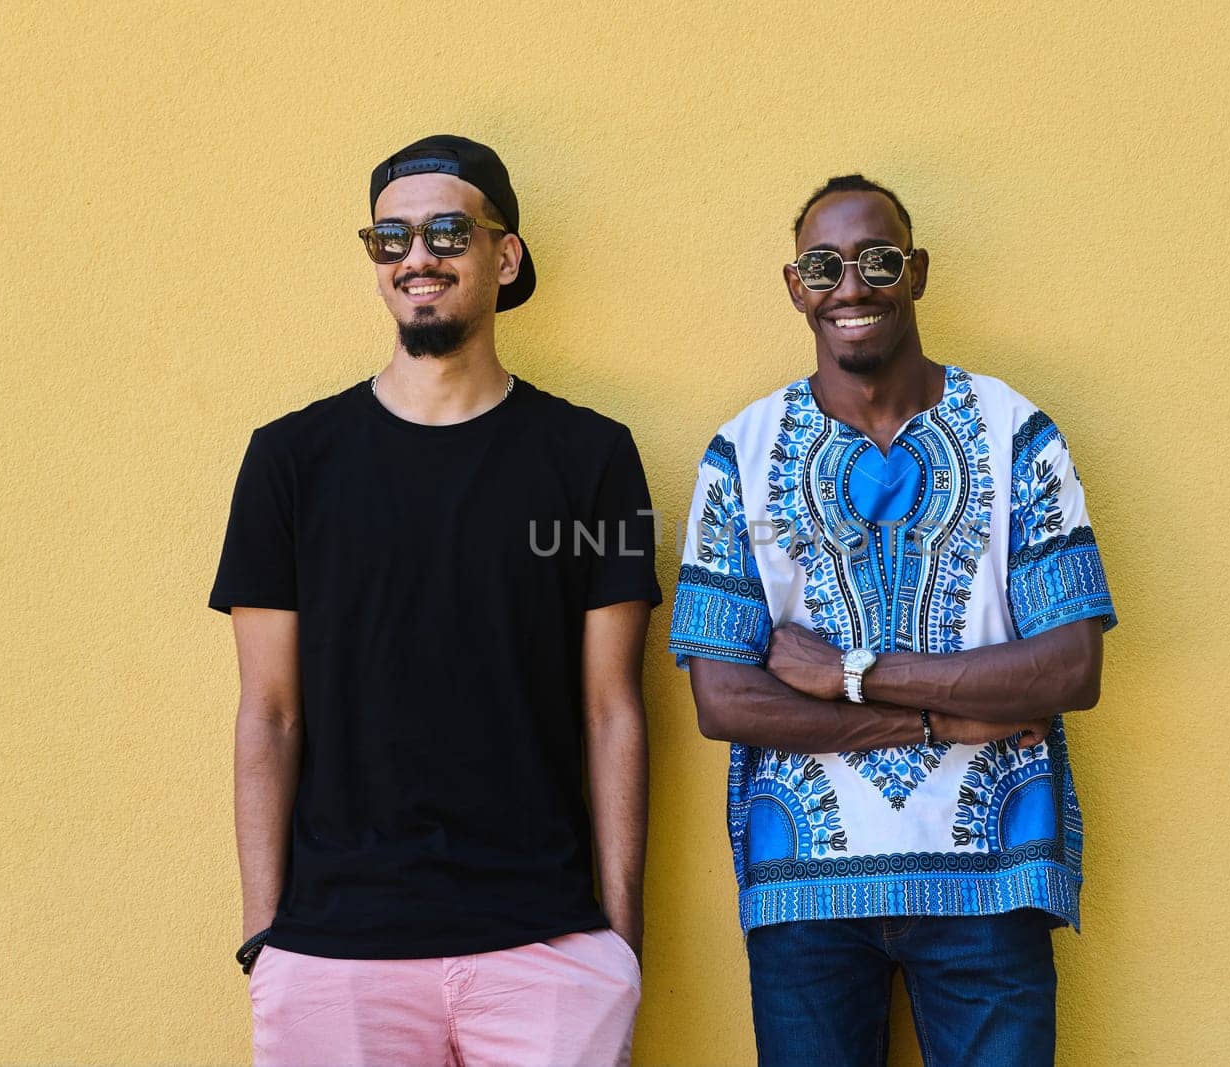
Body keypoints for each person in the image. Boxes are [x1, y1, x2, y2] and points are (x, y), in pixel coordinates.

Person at [210, 134, 658, 1067]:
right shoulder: (290, 462)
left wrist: (618, 939)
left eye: (448, 232)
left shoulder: (595, 460)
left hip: (547, 947)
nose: (419, 257)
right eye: (392, 238)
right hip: (335, 952)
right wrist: (266, 938)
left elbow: (614, 708)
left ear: (505, 255)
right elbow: (270, 712)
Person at [667, 174, 1117, 1065]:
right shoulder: (739, 456)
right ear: (796, 287)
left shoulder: (1015, 431)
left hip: (990, 885)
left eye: (877, 260)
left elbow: (1070, 669)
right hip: (805, 901)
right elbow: (724, 699)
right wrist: (934, 715)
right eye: (824, 266)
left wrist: (849, 673)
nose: (852, 285)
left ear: (915, 272)